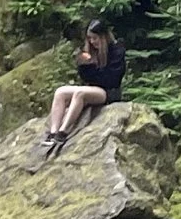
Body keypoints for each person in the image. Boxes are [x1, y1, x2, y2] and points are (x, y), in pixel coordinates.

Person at [43, 20, 126, 155]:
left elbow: (111, 79)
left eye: (95, 38)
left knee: (80, 93)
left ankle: (63, 132)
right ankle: (53, 133)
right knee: (60, 92)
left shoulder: (117, 50)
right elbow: (86, 78)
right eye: (90, 39)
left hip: (109, 91)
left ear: (103, 36)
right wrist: (84, 64)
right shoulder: (91, 51)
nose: (92, 42)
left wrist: (92, 67)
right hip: (93, 88)